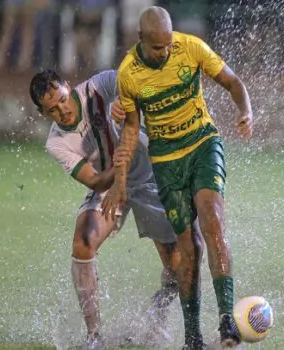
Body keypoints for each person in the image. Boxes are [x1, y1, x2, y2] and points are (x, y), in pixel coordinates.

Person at [102, 6, 253, 350]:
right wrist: (120, 179)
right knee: (189, 248)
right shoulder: (129, 73)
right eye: (158, 48)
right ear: (141, 40)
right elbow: (130, 129)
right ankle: (193, 338)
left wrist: (246, 110)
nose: (166, 51)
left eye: (168, 44)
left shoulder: (191, 47)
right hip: (166, 160)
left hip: (202, 143)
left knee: (213, 220)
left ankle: (227, 318)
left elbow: (232, 81)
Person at [29, 69, 193, 349]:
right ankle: (95, 337)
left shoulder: (100, 85)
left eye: (63, 100)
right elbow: (92, 179)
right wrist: (117, 172)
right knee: (83, 244)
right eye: (53, 110)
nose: (63, 111)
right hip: (108, 185)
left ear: (69, 86)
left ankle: (159, 310)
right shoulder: (56, 143)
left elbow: (145, 87)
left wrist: (130, 102)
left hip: (149, 176)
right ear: (43, 114)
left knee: (177, 266)